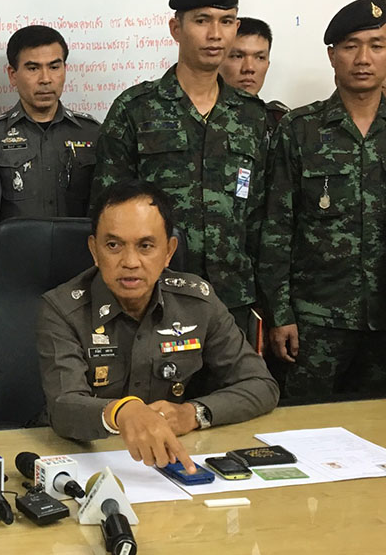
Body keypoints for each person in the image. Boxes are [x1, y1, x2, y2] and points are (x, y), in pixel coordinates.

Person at [37, 181, 279, 469]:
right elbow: (63, 407)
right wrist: (121, 412)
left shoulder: (196, 302)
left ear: (168, 251)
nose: (130, 262)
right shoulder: (62, 309)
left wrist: (193, 413)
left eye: (146, 246)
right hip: (87, 458)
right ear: (94, 250)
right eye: (113, 245)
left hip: (171, 458)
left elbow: (260, 385)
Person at [92, 0, 269, 332]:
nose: (215, 34)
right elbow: (105, 211)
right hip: (153, 294)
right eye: (202, 21)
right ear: (176, 28)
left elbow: (261, 217)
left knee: (234, 389)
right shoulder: (135, 109)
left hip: (231, 299)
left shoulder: (253, 115)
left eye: (227, 21)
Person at [258, 0, 386, 400]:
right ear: (332, 55)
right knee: (303, 433)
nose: (363, 58)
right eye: (351, 46)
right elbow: (275, 229)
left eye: (377, 45)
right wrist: (280, 315)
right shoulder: (300, 130)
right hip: (315, 323)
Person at [0, 25, 100, 219]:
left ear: (65, 70)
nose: (46, 79)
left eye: (54, 67)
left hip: (77, 247)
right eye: (33, 68)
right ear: (13, 75)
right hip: (16, 248)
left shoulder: (91, 133)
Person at [218, 16, 289, 133]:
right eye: (237, 56)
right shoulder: (197, 114)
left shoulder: (279, 121)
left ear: (268, 64)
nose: (249, 68)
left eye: (260, 58)